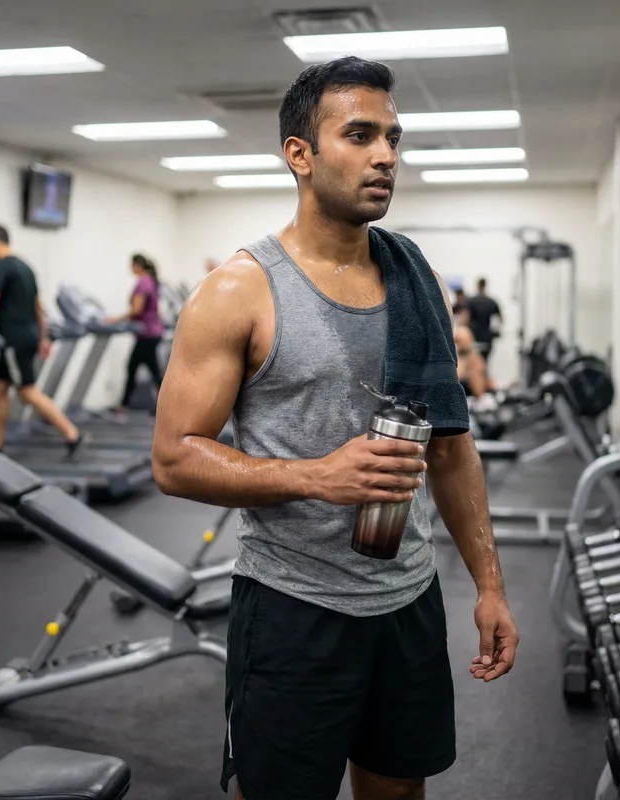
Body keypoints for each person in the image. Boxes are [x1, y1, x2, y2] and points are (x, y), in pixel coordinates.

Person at [152, 56, 518, 800]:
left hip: (408, 601)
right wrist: (315, 476)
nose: (385, 155)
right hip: (294, 612)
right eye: (359, 134)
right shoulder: (238, 291)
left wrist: (489, 585)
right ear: (300, 154)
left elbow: (450, 448)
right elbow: (173, 459)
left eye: (392, 137)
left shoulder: (415, 278)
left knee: (398, 793)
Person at [0, 225, 89, 458]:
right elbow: (39, 306)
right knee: (0, 387)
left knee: (27, 392)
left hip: (13, 340)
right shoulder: (25, 267)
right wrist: (43, 336)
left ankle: (72, 433)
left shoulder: (1, 266)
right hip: (26, 336)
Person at [108, 254, 166, 414]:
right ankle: (166, 405)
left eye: (131, 265)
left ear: (138, 266)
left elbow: (137, 310)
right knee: (152, 371)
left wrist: (116, 319)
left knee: (135, 368)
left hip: (146, 333)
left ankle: (124, 405)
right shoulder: (152, 281)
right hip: (152, 332)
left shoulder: (143, 282)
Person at [466, 277, 502, 362]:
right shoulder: (492, 302)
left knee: (475, 363)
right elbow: (500, 320)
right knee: (484, 363)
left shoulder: (471, 301)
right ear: (485, 286)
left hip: (474, 337)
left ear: (478, 286)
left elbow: (466, 320)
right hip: (487, 338)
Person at [454, 324, 487, 398]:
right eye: (456, 341)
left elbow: (478, 391)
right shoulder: (454, 357)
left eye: (459, 341)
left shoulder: (475, 359)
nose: (457, 345)